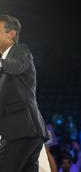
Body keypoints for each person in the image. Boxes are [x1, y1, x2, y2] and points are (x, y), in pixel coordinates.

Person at [0, 15, 49, 171]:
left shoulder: (21, 50)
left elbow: (16, 67)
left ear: (11, 34)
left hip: (22, 130)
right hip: (22, 132)